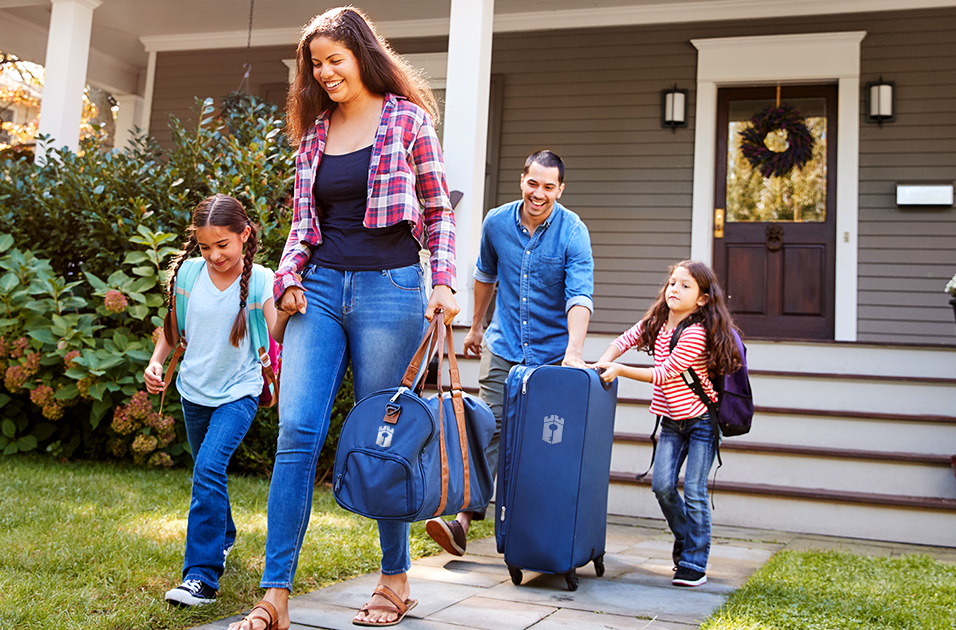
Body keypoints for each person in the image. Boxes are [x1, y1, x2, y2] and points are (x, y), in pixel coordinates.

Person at [228, 7, 458, 630]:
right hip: (321, 290)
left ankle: (394, 579)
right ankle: (275, 592)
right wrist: (289, 279)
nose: (325, 72)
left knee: (387, 438)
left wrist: (442, 282)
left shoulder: (408, 120)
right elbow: (303, 226)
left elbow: (438, 213)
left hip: (391, 288)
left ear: (362, 55)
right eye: (315, 64)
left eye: (335, 59)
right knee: (298, 432)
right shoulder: (313, 136)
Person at [424, 150, 594, 558]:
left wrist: (574, 350)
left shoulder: (573, 231)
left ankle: (536, 530)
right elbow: (485, 275)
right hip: (504, 346)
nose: (539, 193)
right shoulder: (497, 222)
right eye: (533, 183)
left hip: (553, 354)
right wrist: (478, 326)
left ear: (560, 189)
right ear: (523, 180)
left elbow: (579, 295)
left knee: (544, 440)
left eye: (549, 187)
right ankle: (463, 520)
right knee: (489, 426)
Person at [142, 194, 278, 607]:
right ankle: (225, 536)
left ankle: (201, 576)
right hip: (193, 391)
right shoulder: (189, 274)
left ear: (244, 236)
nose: (215, 255)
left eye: (223, 245)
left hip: (240, 391)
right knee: (209, 473)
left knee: (207, 468)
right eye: (206, 247)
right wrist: (156, 363)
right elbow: (172, 325)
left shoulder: (260, 280)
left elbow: (280, 331)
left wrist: (291, 303)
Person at [590, 260, 743, 587]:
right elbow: (626, 339)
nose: (675, 289)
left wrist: (619, 370)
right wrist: (606, 358)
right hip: (672, 422)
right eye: (673, 283)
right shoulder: (658, 321)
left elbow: (664, 372)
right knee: (662, 486)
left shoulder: (696, 333)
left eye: (685, 286)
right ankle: (688, 536)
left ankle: (694, 561)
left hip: (702, 421)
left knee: (696, 492)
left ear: (702, 299)